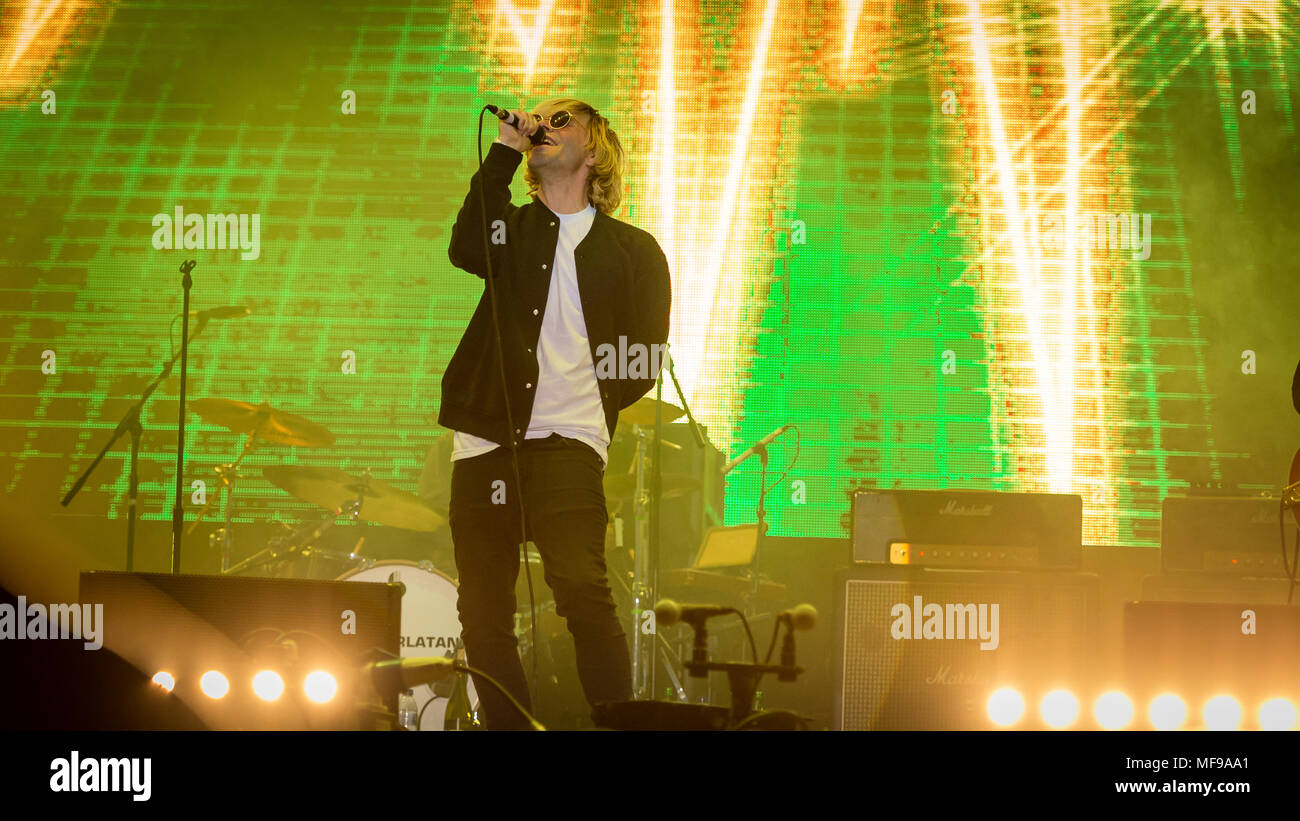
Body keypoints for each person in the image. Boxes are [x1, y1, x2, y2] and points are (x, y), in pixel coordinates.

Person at [439, 98, 672, 729]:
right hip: (486, 440)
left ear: (594, 148)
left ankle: (616, 722)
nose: (543, 123)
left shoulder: (634, 251)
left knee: (582, 590)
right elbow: (465, 246)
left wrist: (583, 404)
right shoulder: (509, 229)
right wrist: (503, 154)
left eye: (560, 118)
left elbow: (642, 358)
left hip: (569, 443)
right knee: (483, 612)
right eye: (538, 117)